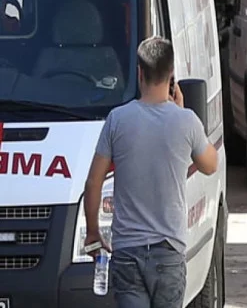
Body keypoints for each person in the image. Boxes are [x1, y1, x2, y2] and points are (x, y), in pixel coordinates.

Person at [83, 36, 219, 307]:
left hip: (127, 255)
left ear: (139, 72)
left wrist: (93, 232)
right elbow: (210, 164)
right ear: (171, 76)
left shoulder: (117, 119)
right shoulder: (186, 121)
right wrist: (182, 114)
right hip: (168, 255)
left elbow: (93, 183)